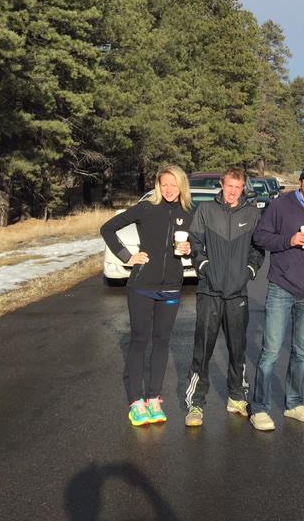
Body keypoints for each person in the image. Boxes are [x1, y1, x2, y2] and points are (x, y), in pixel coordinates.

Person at [100, 165, 194, 426]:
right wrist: (127, 257)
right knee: (140, 340)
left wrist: (188, 250)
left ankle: (153, 397)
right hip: (142, 285)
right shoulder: (146, 208)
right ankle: (136, 401)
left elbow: (197, 246)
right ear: (158, 185)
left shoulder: (189, 212)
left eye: (174, 185)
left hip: (172, 287)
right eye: (164, 185)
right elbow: (107, 228)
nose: (169, 190)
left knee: (162, 340)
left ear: (181, 186)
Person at [248, 161, 304, 432]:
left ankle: (293, 403)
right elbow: (260, 237)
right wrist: (289, 240)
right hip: (281, 288)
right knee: (271, 352)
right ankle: (259, 408)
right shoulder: (281, 205)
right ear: (301, 180)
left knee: (302, 353)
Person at [183, 167, 265, 427]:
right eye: (229, 185)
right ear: (221, 184)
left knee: (238, 348)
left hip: (237, 293)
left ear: (243, 188)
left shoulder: (252, 214)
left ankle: (236, 397)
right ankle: (196, 403)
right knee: (203, 349)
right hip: (209, 291)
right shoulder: (206, 210)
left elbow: (258, 247)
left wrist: (249, 271)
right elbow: (194, 242)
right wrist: (204, 267)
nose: (232, 191)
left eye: (238, 187)